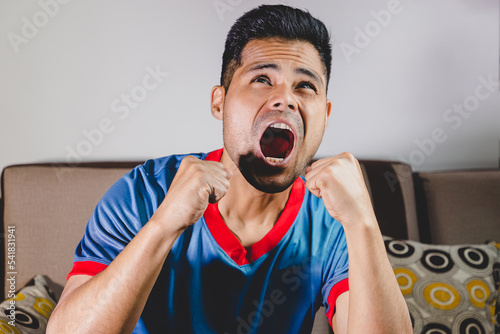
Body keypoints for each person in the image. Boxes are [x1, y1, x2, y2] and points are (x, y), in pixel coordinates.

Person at [47, 4, 412, 334]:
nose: (285, 98)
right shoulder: (142, 194)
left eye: (305, 86)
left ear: (325, 116)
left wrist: (363, 223)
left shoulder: (334, 223)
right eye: (262, 79)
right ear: (219, 102)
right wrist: (163, 226)